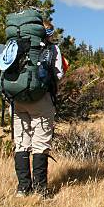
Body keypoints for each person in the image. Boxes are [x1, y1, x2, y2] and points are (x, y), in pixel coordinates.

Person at [13, 20, 64, 197]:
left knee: (21, 142)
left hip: (18, 100)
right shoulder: (52, 49)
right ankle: (41, 191)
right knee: (40, 144)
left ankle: (23, 188)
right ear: (48, 33)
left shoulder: (17, 44)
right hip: (41, 99)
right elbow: (59, 74)